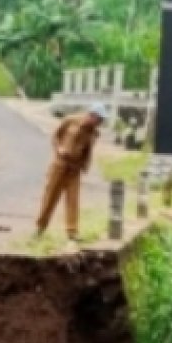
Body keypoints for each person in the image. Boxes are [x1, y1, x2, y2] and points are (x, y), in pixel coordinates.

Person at [35, 103, 108, 241]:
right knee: (50, 196)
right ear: (91, 115)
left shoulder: (94, 133)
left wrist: (83, 165)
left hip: (75, 169)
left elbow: (87, 152)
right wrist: (59, 149)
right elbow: (55, 136)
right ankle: (40, 227)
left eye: (101, 121)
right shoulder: (71, 120)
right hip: (60, 164)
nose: (100, 123)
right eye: (99, 119)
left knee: (73, 200)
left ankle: (72, 232)